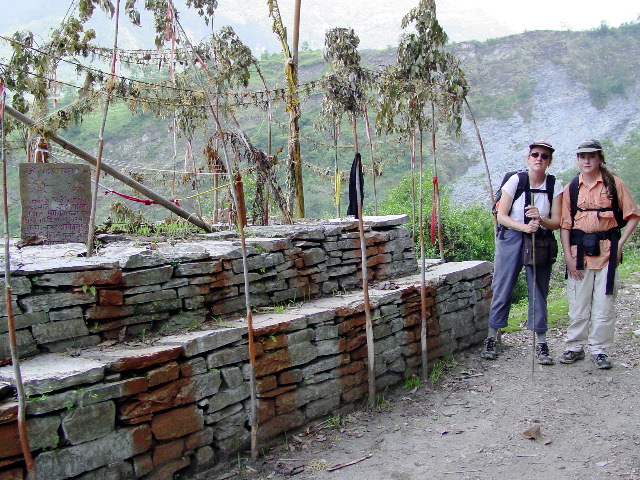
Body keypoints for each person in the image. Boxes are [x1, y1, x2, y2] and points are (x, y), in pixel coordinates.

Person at [558, 140, 639, 369]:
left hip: (607, 253)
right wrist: (568, 256)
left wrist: (621, 244)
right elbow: (565, 225)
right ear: (577, 159)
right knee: (578, 302)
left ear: (600, 158)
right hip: (579, 253)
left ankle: (599, 348)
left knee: (604, 302)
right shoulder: (572, 188)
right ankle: (574, 345)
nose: (587, 160)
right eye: (582, 156)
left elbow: (632, 215)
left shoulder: (614, 184)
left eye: (591, 156)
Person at [481, 141, 563, 364]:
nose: (539, 158)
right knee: (503, 285)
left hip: (540, 239)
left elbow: (557, 221)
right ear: (528, 158)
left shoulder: (555, 185)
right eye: (535, 154)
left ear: (549, 161)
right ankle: (492, 337)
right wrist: (525, 226)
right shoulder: (516, 180)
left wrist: (540, 219)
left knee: (538, 289)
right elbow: (501, 215)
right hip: (512, 237)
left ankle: (542, 342)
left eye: (544, 156)